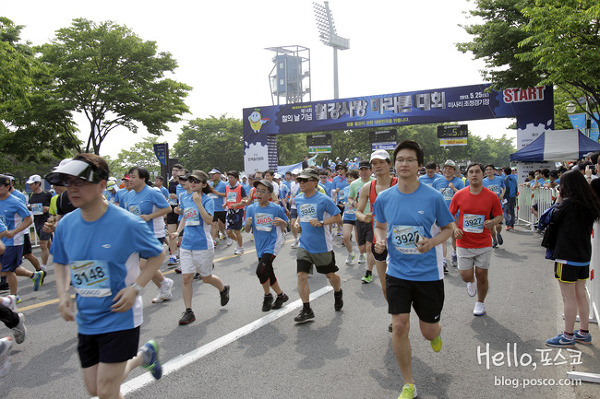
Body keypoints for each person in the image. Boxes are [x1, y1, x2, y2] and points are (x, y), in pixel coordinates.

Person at [46, 154, 165, 398]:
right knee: (95, 389)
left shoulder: (128, 223)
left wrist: (137, 288)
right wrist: (62, 295)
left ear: (102, 186)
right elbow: (59, 262)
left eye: (80, 182)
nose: (72, 189)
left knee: (106, 391)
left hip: (121, 315)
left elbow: (157, 255)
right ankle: (144, 356)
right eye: (69, 183)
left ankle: (141, 355)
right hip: (87, 317)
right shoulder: (66, 224)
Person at [372, 141, 454, 399]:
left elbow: (449, 229)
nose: (404, 164)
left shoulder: (433, 196)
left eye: (409, 160)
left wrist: (431, 242)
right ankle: (409, 383)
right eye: (400, 160)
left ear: (419, 165)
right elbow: (380, 225)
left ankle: (435, 333)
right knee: (399, 325)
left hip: (428, 274)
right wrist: (379, 239)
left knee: (428, 330)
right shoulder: (385, 197)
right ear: (394, 165)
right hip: (397, 271)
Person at [544, 170, 600, 347]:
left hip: (566, 256)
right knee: (580, 295)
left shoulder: (567, 204)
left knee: (568, 297)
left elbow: (551, 218)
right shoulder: (590, 204)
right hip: (583, 256)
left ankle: (567, 336)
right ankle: (583, 332)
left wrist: (559, 199)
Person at [171, 170, 230, 325]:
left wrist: (198, 202)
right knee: (186, 278)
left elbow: (210, 220)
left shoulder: (207, 200)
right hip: (186, 245)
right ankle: (189, 311)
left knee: (205, 278)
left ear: (204, 184)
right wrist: (177, 231)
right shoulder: (184, 197)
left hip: (203, 244)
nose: (192, 183)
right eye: (191, 180)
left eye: (196, 181)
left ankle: (223, 289)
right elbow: (184, 216)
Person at [449, 163, 503, 316]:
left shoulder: (491, 196)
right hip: (464, 242)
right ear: (467, 176)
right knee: (466, 276)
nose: (474, 174)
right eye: (471, 172)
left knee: (482, 273)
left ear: (482, 174)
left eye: (477, 172)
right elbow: (450, 215)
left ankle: (480, 302)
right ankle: (471, 282)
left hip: (483, 242)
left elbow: (500, 215)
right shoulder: (459, 195)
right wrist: (455, 229)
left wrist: (492, 222)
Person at [293, 168, 343, 323]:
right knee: (302, 275)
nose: (301, 183)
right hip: (305, 244)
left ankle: (338, 291)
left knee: (330, 275)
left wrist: (322, 222)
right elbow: (300, 216)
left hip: (322, 246)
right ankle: (307, 309)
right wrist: (296, 223)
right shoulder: (299, 198)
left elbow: (337, 217)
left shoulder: (324, 199)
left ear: (314, 182)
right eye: (299, 180)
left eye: (305, 180)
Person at [124, 167, 174, 304]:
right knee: (144, 266)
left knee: (144, 265)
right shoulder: (129, 195)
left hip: (153, 233)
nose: (130, 180)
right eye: (130, 177)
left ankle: (164, 284)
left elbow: (168, 208)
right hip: (137, 234)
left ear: (143, 179)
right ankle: (164, 287)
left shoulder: (152, 193)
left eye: (133, 177)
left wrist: (149, 216)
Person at [244, 179, 290, 311]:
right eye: (257, 191)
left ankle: (267, 296)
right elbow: (247, 230)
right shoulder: (251, 208)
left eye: (263, 191)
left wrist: (282, 221)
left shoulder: (275, 208)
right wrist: (247, 224)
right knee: (268, 272)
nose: (259, 194)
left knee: (261, 270)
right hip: (260, 245)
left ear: (269, 195)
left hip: (273, 243)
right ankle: (281, 295)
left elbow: (286, 224)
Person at [356, 150, 396, 286]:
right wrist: (363, 217)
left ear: (389, 164)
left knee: (401, 284)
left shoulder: (400, 184)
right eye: (374, 163)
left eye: (381, 162)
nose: (377, 166)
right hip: (378, 239)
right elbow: (358, 211)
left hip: (400, 238)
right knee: (386, 287)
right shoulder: (368, 187)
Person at [0, 175, 43, 303]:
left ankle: (14, 296)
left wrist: (14, 232)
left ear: (7, 187)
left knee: (8, 269)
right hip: (1, 240)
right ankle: (34, 275)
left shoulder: (15, 201)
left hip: (13, 241)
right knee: (6, 268)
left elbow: (28, 219)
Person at [432, 159, 465, 270]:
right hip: (441, 214)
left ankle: (454, 253)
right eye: (445, 168)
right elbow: (433, 197)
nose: (447, 170)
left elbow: (464, 197)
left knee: (454, 236)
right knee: (442, 237)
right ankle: (443, 261)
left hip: (455, 214)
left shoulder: (459, 182)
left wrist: (454, 188)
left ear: (454, 170)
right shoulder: (437, 182)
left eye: (450, 168)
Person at [347, 160, 374, 265]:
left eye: (366, 169)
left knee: (369, 246)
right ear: (358, 172)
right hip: (359, 217)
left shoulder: (375, 182)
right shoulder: (354, 184)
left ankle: (369, 270)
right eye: (361, 170)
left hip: (372, 218)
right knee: (362, 247)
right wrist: (354, 204)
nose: (364, 172)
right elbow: (350, 197)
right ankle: (363, 254)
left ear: (371, 170)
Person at [26, 174, 54, 270]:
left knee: (42, 244)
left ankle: (43, 268)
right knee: (49, 244)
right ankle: (60, 260)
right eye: (29, 184)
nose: (30, 186)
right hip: (37, 222)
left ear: (38, 183)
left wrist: (46, 209)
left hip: (46, 222)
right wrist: (31, 207)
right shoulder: (31, 195)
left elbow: (51, 208)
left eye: (32, 184)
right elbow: (31, 207)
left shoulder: (47, 194)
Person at [482, 164, 505, 247]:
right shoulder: (483, 181)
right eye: (487, 170)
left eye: (490, 169)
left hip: (498, 205)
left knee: (498, 225)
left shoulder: (499, 179)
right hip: (488, 207)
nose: (489, 171)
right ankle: (494, 239)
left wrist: (502, 194)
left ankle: (498, 234)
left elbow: (504, 187)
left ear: (494, 170)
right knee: (491, 226)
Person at [224, 170, 246, 255]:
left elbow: (245, 200)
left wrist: (237, 204)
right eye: (228, 177)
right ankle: (238, 241)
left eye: (231, 178)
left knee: (237, 231)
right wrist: (225, 203)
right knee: (228, 231)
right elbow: (228, 197)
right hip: (230, 211)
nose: (229, 179)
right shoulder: (227, 187)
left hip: (238, 211)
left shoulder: (241, 188)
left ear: (236, 178)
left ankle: (240, 247)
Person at [339, 170, 358, 264]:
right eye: (348, 177)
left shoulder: (360, 188)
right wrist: (343, 203)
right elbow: (342, 199)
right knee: (346, 237)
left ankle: (362, 254)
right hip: (347, 215)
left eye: (351, 177)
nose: (349, 179)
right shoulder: (345, 189)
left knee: (359, 240)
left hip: (358, 216)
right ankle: (351, 254)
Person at [208, 169, 227, 245]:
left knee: (223, 224)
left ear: (219, 174)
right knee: (213, 224)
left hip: (222, 208)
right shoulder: (210, 184)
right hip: (213, 208)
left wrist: (218, 193)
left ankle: (226, 234)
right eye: (211, 174)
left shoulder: (224, 184)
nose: (212, 176)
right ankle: (213, 240)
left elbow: (227, 194)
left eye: (214, 174)